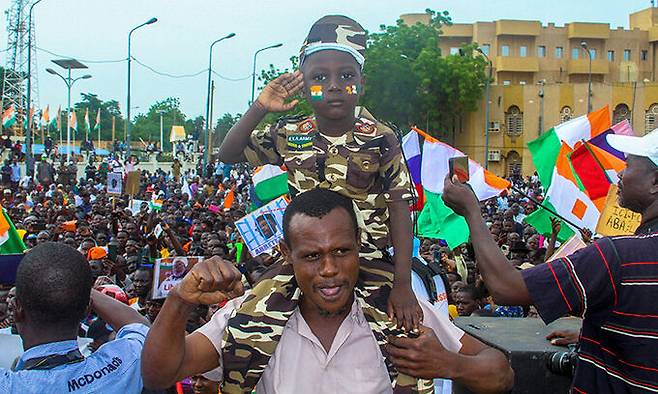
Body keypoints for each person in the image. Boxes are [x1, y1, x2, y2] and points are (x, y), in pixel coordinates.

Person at [141, 188, 513, 393]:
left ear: (359, 244)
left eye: (341, 251)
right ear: (286, 255)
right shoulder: (248, 314)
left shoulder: (399, 313)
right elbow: (160, 374)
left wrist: (449, 364)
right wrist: (179, 301)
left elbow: (501, 374)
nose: (330, 270)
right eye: (312, 256)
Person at [218, 15, 421, 340]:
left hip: (367, 259)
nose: (334, 85)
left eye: (345, 76)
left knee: (405, 339)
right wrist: (260, 106)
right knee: (245, 327)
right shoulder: (290, 132)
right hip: (306, 259)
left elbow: (400, 208)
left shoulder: (382, 138)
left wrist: (403, 284)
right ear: (305, 85)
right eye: (319, 77)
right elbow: (228, 153)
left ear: (361, 83)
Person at [442, 129, 658, 392]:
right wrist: (592, 334)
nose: (620, 174)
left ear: (655, 182)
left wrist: (471, 211)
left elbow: (505, 287)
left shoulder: (616, 256)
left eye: (628, 164)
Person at [0, 242, 150, 393]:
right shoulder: (123, 365)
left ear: (16, 308)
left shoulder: (9, 386)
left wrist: (44, 275)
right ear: (87, 309)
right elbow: (141, 327)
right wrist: (74, 285)